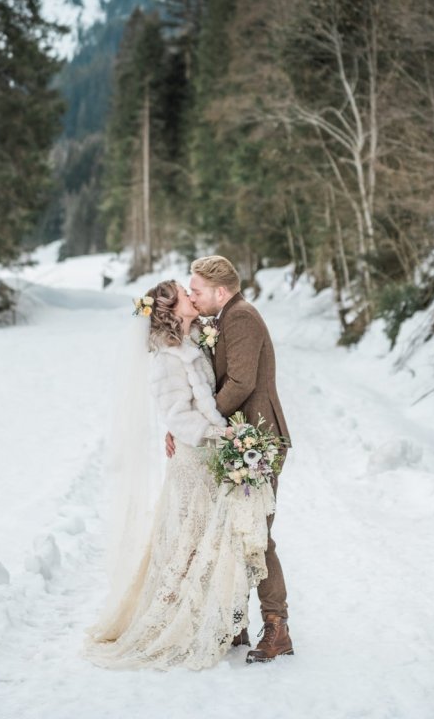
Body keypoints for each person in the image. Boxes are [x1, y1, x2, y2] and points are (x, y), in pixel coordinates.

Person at [81, 279, 275, 671]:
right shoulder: (165, 360)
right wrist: (217, 435)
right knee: (188, 540)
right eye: (183, 293)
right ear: (171, 309)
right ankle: (175, 620)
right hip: (193, 458)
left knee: (212, 538)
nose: (191, 294)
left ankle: (213, 617)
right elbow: (178, 414)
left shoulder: (194, 342)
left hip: (209, 455)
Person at [166, 255, 293, 663]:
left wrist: (202, 425)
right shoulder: (223, 317)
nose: (193, 296)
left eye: (198, 290)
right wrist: (182, 421)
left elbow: (240, 382)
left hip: (257, 439)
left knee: (256, 533)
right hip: (239, 437)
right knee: (234, 530)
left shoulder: (241, 318)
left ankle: (277, 629)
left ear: (220, 291)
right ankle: (236, 622)